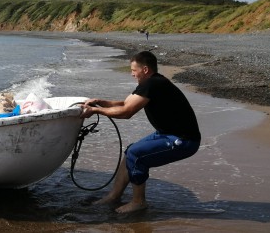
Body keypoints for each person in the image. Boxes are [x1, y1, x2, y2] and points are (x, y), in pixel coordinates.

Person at [80, 50, 201, 213]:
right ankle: (114, 196)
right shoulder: (150, 83)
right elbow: (125, 103)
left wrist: (96, 111)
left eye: (133, 70)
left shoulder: (153, 84)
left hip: (184, 140)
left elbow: (126, 112)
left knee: (136, 155)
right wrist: (100, 102)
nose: (132, 74)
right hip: (167, 133)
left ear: (145, 70)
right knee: (131, 151)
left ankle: (138, 202)